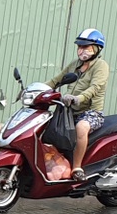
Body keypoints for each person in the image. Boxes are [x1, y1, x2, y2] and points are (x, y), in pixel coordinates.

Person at [46, 28, 109, 182]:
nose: (81, 50)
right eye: (79, 46)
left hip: (91, 112)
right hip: (68, 111)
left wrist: (78, 98)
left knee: (82, 127)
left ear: (96, 48)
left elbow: (94, 88)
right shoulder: (75, 65)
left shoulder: (101, 66)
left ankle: (77, 168)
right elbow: (56, 80)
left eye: (85, 47)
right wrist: (35, 91)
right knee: (46, 125)